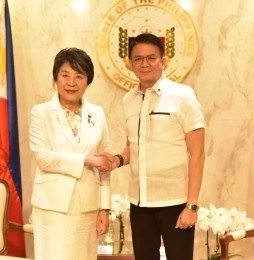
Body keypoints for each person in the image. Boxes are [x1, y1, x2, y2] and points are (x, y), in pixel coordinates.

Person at [104, 33, 205, 260]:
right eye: (138, 59)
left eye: (151, 58)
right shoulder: (128, 100)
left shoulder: (183, 96)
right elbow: (133, 145)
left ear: (163, 60)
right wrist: (117, 160)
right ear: (131, 63)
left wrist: (192, 206)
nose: (144, 64)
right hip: (140, 204)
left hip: (175, 203)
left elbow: (197, 154)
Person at [29, 47, 111, 260]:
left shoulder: (97, 113)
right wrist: (85, 159)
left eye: (79, 76)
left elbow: (104, 164)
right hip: (52, 207)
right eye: (65, 75)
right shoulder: (41, 113)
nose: (71, 83)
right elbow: (44, 158)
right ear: (56, 78)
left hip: (88, 208)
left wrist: (105, 208)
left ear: (88, 80)